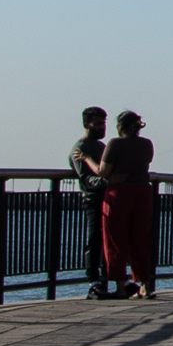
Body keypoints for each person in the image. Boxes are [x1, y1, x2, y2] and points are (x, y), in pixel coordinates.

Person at [96, 111, 159, 299]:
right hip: (142, 192)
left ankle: (121, 287)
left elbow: (102, 171)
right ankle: (146, 286)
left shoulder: (114, 143)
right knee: (141, 239)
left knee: (115, 241)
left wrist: (86, 160)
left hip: (119, 194)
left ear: (119, 127)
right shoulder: (147, 144)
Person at [68, 107, 112, 298]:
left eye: (104, 123)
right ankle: (93, 282)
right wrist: (108, 181)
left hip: (109, 199)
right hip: (93, 200)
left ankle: (110, 278)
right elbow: (86, 179)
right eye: (98, 124)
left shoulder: (102, 147)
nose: (102, 128)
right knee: (94, 240)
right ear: (87, 125)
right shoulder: (80, 149)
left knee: (109, 240)